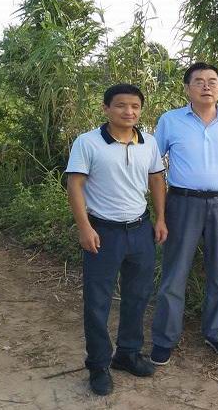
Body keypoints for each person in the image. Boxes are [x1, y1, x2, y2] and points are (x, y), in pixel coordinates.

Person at [65, 84, 168, 396]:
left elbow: (156, 179)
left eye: (135, 106)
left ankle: (127, 353)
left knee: (138, 296)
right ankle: (98, 365)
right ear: (106, 108)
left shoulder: (148, 142)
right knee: (97, 302)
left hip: (140, 230)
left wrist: (160, 218)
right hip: (103, 232)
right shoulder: (87, 142)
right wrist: (84, 227)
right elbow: (74, 184)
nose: (129, 111)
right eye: (121, 105)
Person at [150, 62, 218, 366]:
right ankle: (164, 339)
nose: (206, 86)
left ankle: (215, 332)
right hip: (183, 203)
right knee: (175, 273)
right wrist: (159, 212)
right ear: (187, 88)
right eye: (199, 81)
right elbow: (154, 165)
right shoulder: (170, 120)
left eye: (212, 81)